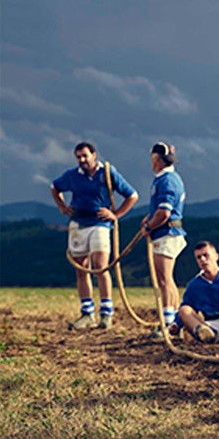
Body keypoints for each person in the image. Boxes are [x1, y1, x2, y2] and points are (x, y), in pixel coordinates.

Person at [50, 141, 139, 330]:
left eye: (85, 156)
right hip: (78, 224)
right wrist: (62, 207)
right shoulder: (72, 175)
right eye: (78, 157)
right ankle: (87, 313)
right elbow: (54, 187)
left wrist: (116, 214)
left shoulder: (107, 172)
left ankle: (106, 314)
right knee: (81, 269)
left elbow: (132, 195)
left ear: (94, 155)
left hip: (100, 224)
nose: (82, 160)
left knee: (100, 267)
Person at [141, 142, 187, 334]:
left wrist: (149, 226)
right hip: (167, 233)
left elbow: (164, 213)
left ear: (156, 159)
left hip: (166, 234)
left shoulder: (167, 181)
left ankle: (168, 324)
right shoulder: (167, 179)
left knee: (164, 280)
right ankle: (173, 321)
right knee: (167, 279)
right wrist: (150, 218)